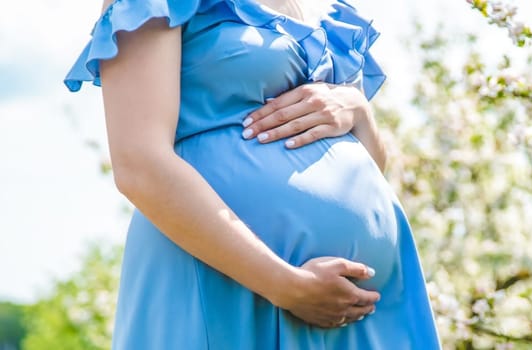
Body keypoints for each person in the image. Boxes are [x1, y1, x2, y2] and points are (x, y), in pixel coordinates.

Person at [63, 0, 440, 348]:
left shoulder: (325, 8)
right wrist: (285, 285)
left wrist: (359, 110)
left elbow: (366, 167)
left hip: (358, 309)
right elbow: (139, 164)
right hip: (229, 284)